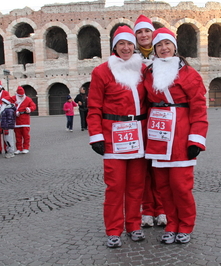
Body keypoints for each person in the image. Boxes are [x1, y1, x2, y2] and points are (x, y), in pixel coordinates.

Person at [143, 27, 208, 244]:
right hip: (158, 136)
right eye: (159, 45)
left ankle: (186, 225)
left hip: (180, 135)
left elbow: (199, 108)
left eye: (167, 44)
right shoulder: (149, 72)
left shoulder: (189, 74)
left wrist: (196, 138)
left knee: (181, 186)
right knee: (163, 187)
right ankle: (172, 224)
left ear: (174, 46)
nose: (163, 48)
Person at [87, 25, 147, 248]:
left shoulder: (142, 70)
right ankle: (113, 230)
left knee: (136, 186)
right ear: (114, 46)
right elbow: (94, 107)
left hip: (138, 134)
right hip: (114, 136)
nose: (126, 47)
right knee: (115, 186)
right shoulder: (102, 71)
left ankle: (134, 225)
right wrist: (96, 136)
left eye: (129, 43)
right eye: (121, 43)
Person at [134, 14, 167, 228]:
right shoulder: (128, 57)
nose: (144, 35)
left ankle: (162, 208)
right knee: (143, 169)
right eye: (139, 31)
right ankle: (147, 209)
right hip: (138, 121)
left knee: (161, 167)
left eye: (147, 31)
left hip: (160, 119)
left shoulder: (165, 55)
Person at [11, 86, 36, 154]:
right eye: (20, 95)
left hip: (25, 120)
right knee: (18, 136)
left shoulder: (28, 99)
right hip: (16, 120)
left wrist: (29, 109)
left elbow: (33, 106)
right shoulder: (13, 99)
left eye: (22, 95)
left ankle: (26, 147)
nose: (21, 96)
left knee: (25, 135)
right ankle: (19, 148)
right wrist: (15, 112)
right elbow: (9, 107)